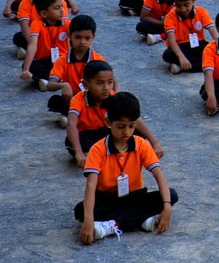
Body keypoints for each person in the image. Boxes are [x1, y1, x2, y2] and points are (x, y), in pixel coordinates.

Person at [75, 93, 176, 244]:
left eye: (132, 126)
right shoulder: (98, 149)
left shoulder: (141, 144)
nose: (127, 132)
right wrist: (88, 219)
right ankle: (140, 220)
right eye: (121, 127)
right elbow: (91, 185)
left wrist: (167, 207)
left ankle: (112, 224)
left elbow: (159, 175)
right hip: (107, 199)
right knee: (80, 211)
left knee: (171, 195)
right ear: (108, 122)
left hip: (133, 196)